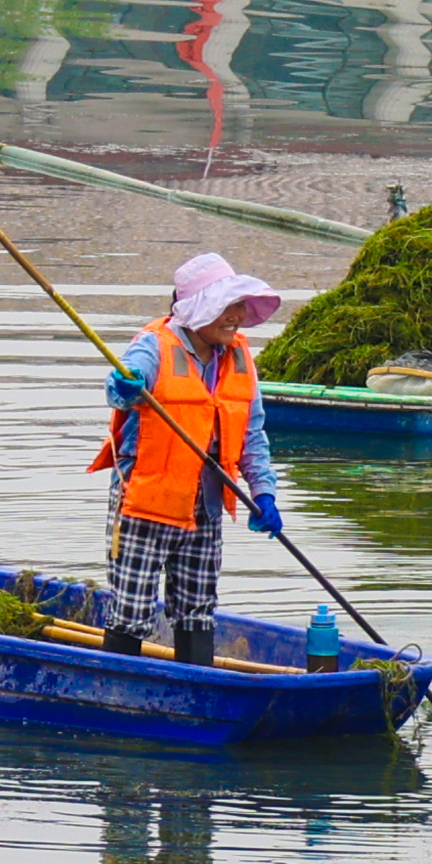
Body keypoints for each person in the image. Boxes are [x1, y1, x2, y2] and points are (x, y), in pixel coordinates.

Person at [90, 249, 285, 665]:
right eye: (225, 307)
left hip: (206, 506)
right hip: (146, 505)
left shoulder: (238, 357)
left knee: (197, 610)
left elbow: (252, 435)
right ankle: (120, 686)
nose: (235, 316)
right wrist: (126, 387)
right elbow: (120, 381)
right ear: (198, 310)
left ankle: (196, 684)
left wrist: (264, 492)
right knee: (131, 612)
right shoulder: (154, 347)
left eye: (237, 306)